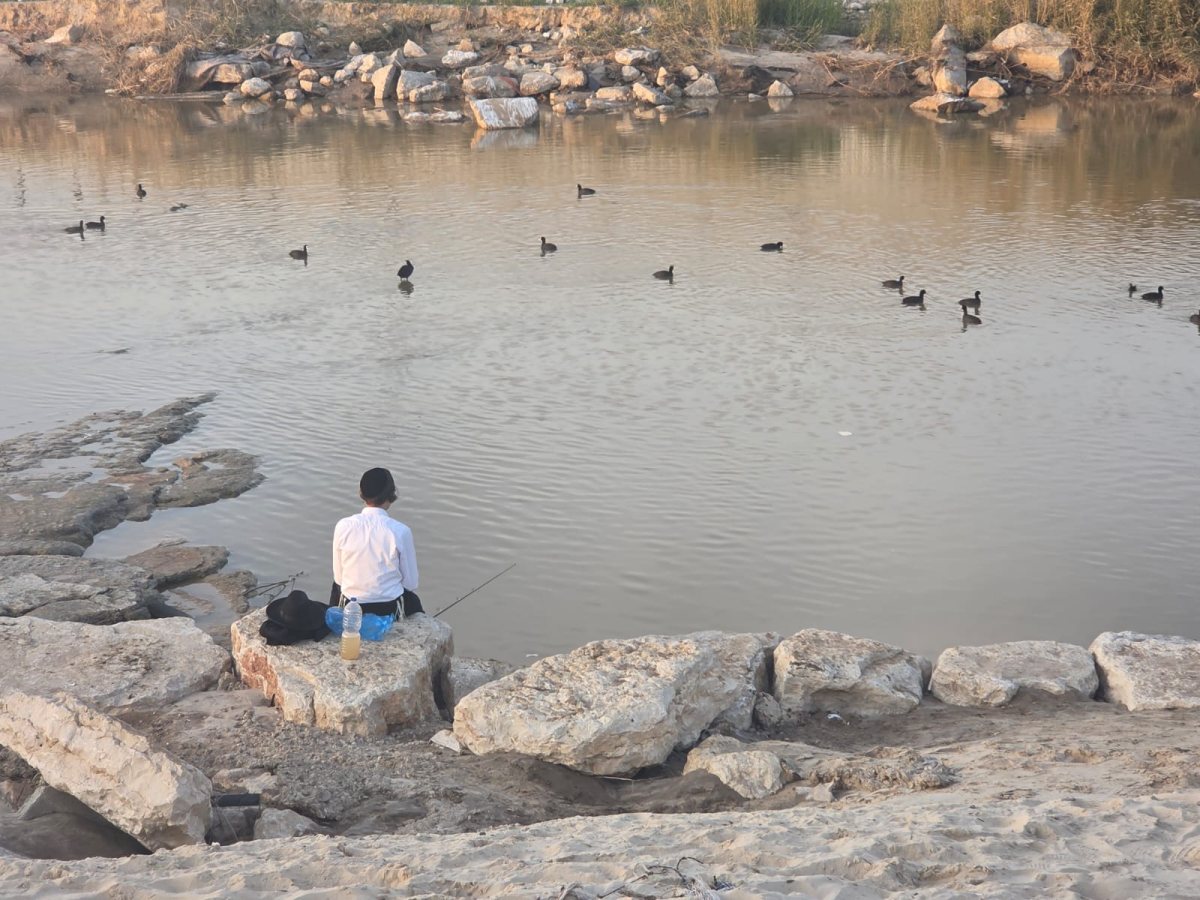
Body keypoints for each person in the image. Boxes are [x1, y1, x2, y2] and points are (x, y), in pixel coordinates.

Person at [330, 467, 424, 618]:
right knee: (413, 600)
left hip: (351, 605)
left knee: (338, 587)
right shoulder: (400, 531)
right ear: (391, 494)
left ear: (361, 493)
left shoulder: (343, 526)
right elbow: (411, 583)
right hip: (388, 607)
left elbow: (339, 578)